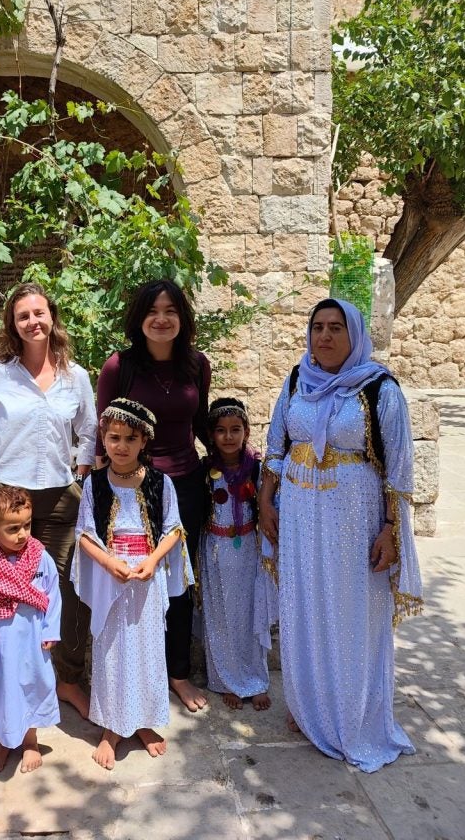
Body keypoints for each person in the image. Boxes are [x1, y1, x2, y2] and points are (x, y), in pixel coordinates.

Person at [258, 298, 423, 773]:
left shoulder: (379, 388)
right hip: (300, 517)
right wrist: (267, 500)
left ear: (355, 335)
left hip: (356, 521)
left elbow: (398, 469)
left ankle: (354, 718)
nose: (324, 336)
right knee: (305, 607)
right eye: (317, 327)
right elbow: (276, 447)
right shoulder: (296, 381)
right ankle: (310, 709)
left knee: (353, 615)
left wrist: (391, 530)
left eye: (336, 328)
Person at [0, 282, 96, 718]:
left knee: (68, 591)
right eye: (23, 316)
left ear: (51, 316)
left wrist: (81, 472)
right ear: (13, 326)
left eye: (39, 313)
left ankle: (67, 681)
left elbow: (88, 432)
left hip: (58, 499)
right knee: (3, 596)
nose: (33, 322)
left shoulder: (76, 377)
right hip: (4, 499)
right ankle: (7, 690)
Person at [95, 279, 211, 712]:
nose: (162, 319)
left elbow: (200, 422)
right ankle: (135, 674)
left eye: (171, 311)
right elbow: (102, 431)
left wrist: (240, 457)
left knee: (178, 583)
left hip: (186, 484)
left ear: (183, 318)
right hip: (131, 489)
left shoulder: (197, 365)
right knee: (133, 581)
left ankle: (177, 674)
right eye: (153, 311)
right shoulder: (118, 367)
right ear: (139, 318)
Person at [72, 398, 193, 770]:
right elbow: (85, 534)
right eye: (113, 437)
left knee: (147, 651)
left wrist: (152, 562)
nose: (120, 446)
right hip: (112, 581)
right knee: (111, 652)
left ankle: (141, 721)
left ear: (144, 442)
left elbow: (174, 528)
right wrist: (109, 564)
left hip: (147, 579)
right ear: (104, 440)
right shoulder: (93, 483)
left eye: (129, 439)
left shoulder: (161, 483)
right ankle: (111, 727)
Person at [0, 486, 61, 774]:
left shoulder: (40, 557)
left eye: (27, 525)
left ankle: (30, 740)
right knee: (0, 688)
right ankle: (4, 741)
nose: (22, 535)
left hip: (32, 636)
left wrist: (50, 630)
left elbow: (53, 594)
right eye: (13, 528)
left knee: (32, 683)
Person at [200, 397, 272, 711]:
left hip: (247, 553)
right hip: (215, 552)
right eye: (220, 430)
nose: (228, 437)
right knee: (221, 617)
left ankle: (256, 679)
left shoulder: (256, 468)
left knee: (250, 615)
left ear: (246, 431)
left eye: (235, 429)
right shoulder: (205, 470)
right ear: (211, 435)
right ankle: (226, 681)